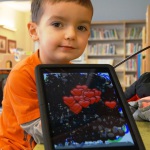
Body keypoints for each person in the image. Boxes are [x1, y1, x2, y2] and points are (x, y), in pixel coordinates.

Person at [0, 0, 93, 149]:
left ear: (88, 34)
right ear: (34, 31)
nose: (71, 35)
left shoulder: (75, 74)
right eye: (57, 24)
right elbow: (41, 133)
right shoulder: (22, 74)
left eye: (81, 27)